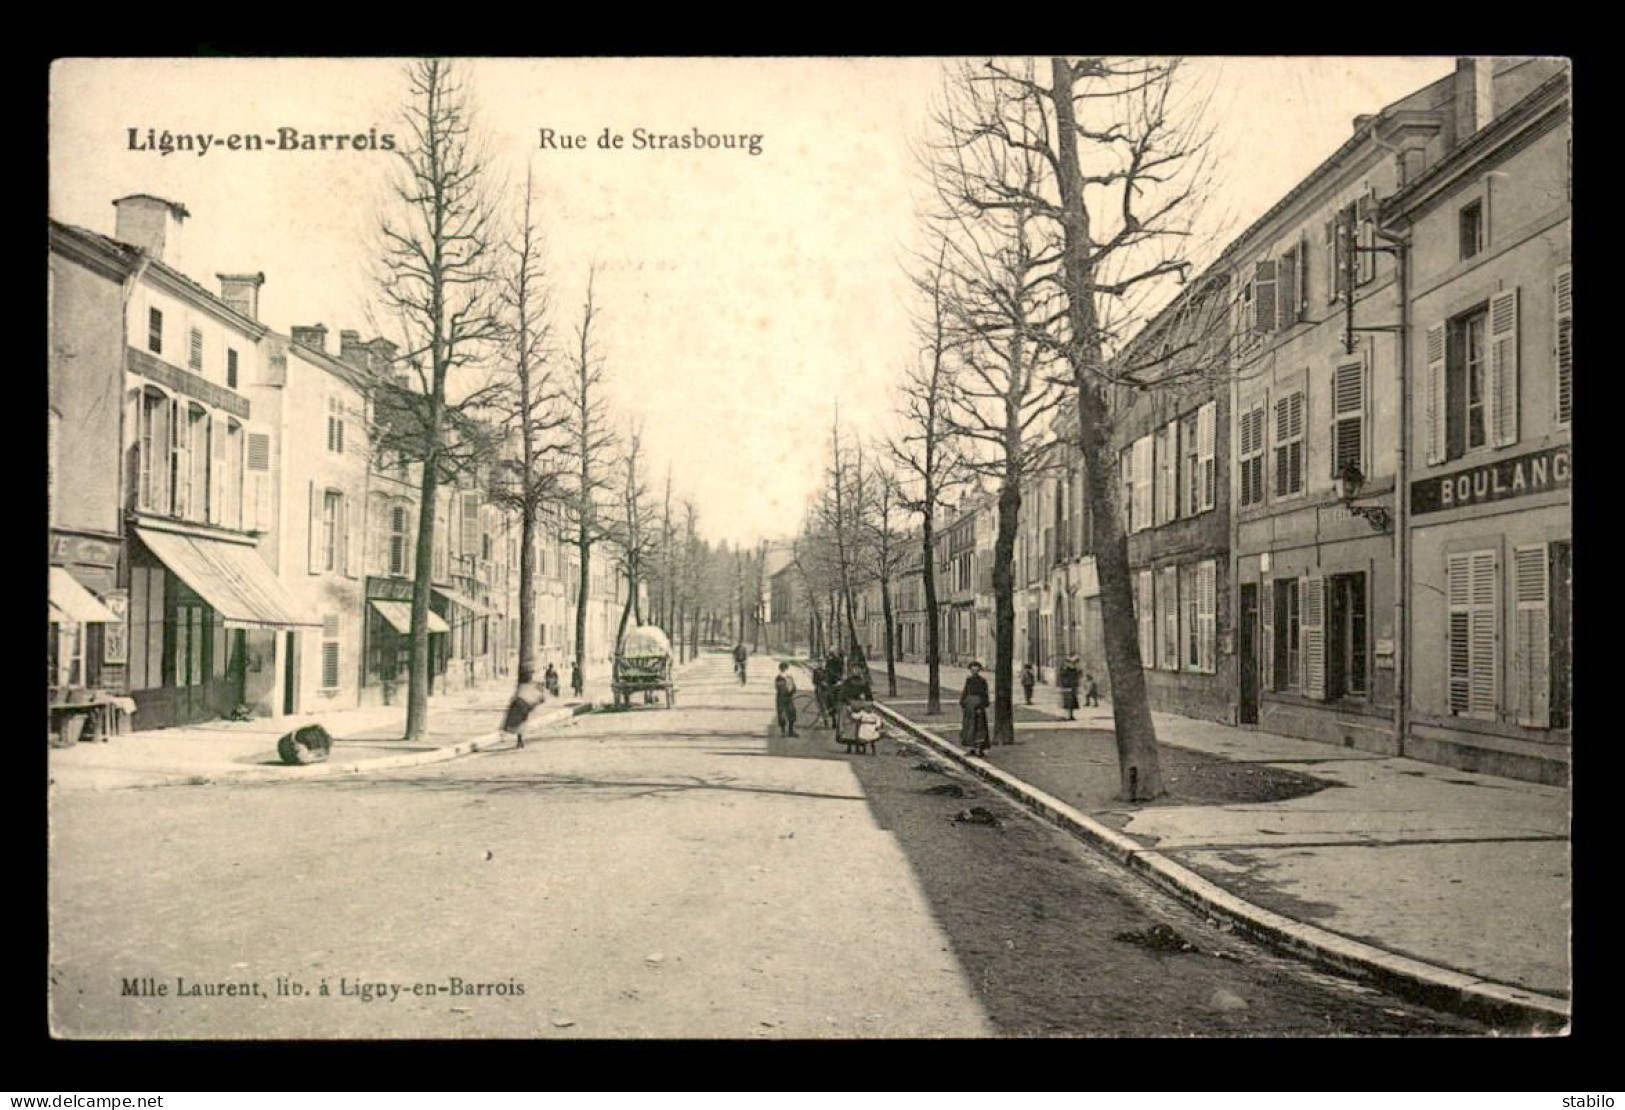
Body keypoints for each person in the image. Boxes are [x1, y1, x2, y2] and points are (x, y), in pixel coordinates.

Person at [500, 669, 546, 748]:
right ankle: (519, 740)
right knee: (521, 724)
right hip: (523, 705)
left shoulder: (527, 685)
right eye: (529, 675)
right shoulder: (526, 685)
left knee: (521, 724)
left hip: (523, 705)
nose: (530, 676)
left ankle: (519, 740)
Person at [959, 661, 990, 756]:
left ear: (979, 670)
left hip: (978, 706)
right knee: (969, 727)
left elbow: (985, 694)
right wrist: (963, 701)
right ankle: (970, 748)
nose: (974, 672)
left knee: (979, 727)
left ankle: (979, 748)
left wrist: (982, 705)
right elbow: (965, 691)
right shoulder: (969, 680)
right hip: (969, 707)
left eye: (976, 670)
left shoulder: (982, 681)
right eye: (972, 670)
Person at [774, 662, 799, 737]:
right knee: (783, 714)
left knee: (791, 713)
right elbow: (782, 688)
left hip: (786, 698)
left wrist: (792, 690)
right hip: (782, 698)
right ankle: (784, 732)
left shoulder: (787, 677)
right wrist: (791, 690)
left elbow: (793, 687)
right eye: (784, 669)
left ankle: (789, 731)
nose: (785, 670)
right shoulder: (780, 678)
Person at [1059, 654, 1082, 721]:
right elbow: (1062, 677)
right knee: (1068, 701)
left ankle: (1070, 715)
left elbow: (1080, 674)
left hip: (1073, 687)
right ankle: (1068, 715)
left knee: (1071, 702)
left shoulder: (1075, 669)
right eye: (1072, 662)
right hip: (1067, 686)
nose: (1073, 664)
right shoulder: (1066, 669)